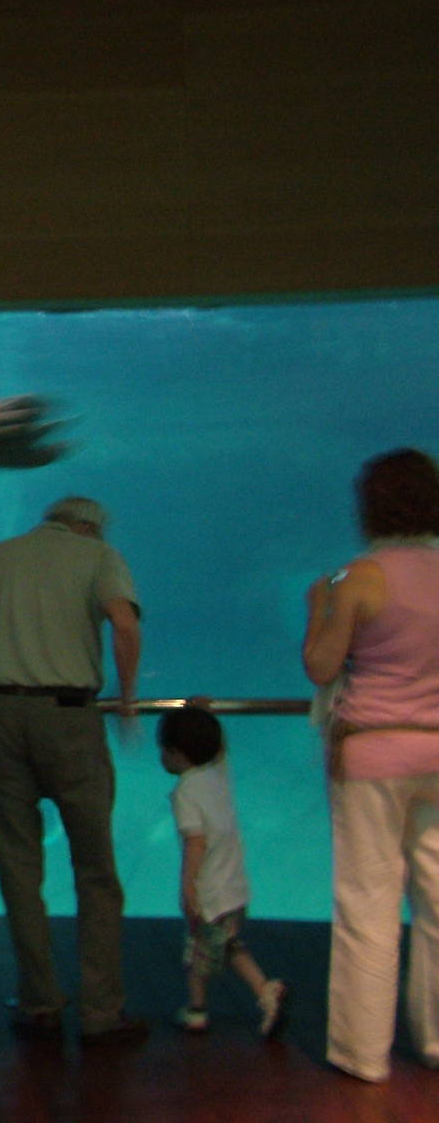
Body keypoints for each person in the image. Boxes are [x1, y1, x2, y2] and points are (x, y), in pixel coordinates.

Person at [0, 496, 145, 1044]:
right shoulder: (98, 556)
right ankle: (102, 1011)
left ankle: (39, 1002)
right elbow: (124, 625)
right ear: (90, 527)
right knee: (96, 871)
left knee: (18, 865)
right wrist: (126, 698)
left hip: (2, 717)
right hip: (70, 718)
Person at [302, 447, 439, 1083]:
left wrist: (318, 610)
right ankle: (437, 1040)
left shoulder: (358, 578)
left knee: (368, 901)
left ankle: (363, 1054)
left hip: (372, 752)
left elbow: (322, 667)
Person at [157, 704, 288, 1037]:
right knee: (223, 947)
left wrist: (188, 888)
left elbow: (195, 842)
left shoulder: (186, 790)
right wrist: (202, 712)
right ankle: (250, 994)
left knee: (201, 954)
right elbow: (221, 750)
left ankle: (212, 1006)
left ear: (175, 754)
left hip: (211, 894)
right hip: (235, 890)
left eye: (164, 748)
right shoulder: (216, 775)